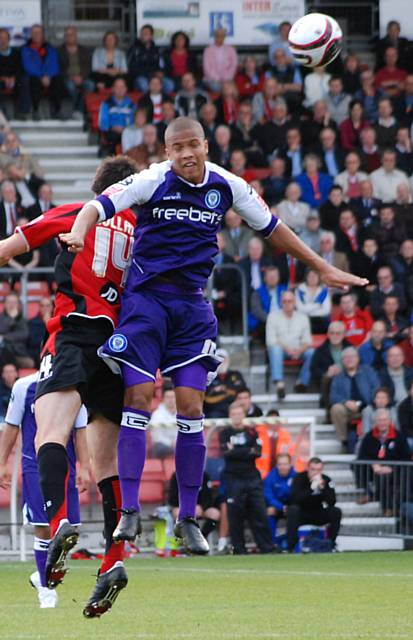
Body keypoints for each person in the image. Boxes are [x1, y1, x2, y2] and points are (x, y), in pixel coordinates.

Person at [60, 115, 367, 558]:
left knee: (191, 408)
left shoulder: (228, 185)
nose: (186, 153)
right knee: (140, 398)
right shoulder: (150, 181)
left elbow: (273, 228)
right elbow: (98, 205)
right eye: (177, 147)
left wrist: (321, 267)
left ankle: (188, 518)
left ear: (206, 145)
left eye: (193, 145)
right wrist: (78, 230)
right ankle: (128, 510)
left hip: (191, 308)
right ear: (166, 152)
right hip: (146, 303)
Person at [0, 155, 139, 617]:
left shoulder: (81, 211)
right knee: (105, 464)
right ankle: (113, 560)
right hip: (122, 348)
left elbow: (10, 247)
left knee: (49, 430)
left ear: (101, 189)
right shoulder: (145, 232)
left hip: (74, 331)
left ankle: (59, 521)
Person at [0, 372, 89, 608]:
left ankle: (40, 575)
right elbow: (11, 426)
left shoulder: (76, 384)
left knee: (70, 531)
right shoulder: (24, 387)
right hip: (35, 467)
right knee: (44, 528)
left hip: (66, 469)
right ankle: (47, 591)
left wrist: (85, 467)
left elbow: (81, 431)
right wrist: (2, 462)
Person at [219, 403, 276, 555]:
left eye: (239, 413)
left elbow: (257, 452)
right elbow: (226, 453)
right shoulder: (224, 433)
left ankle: (267, 548)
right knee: (235, 514)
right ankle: (239, 549)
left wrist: (236, 450)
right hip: (233, 478)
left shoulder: (252, 432)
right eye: (234, 413)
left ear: (244, 416)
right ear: (230, 416)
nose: (237, 417)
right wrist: (246, 450)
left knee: (259, 513)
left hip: (252, 477)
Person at [356, 408, 411, 515]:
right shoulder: (369, 437)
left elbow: (406, 457)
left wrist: (391, 467)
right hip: (374, 469)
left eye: (385, 420)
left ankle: (388, 507)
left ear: (390, 421)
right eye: (380, 420)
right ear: (376, 422)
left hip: (394, 470)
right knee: (356, 465)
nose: (382, 423)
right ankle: (368, 493)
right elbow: (362, 455)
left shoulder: (399, 436)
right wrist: (373, 464)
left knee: (384, 477)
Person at [286, 457, 342, 552]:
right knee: (292, 510)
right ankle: (291, 547)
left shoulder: (326, 480)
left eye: (319, 470)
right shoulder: (299, 478)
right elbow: (295, 499)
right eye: (313, 469)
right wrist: (311, 489)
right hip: (302, 513)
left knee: (336, 511)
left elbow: (332, 502)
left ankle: (331, 544)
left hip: (317, 512)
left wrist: (323, 488)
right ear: (308, 468)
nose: (316, 472)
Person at [266, 290, 314, 398]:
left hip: (299, 350)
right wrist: (287, 349)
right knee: (275, 349)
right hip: (281, 350)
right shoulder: (272, 316)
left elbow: (308, 340)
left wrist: (300, 350)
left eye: (290, 301)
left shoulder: (303, 317)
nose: (287, 304)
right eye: (285, 301)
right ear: (281, 302)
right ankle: (280, 384)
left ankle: (302, 383)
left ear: (295, 302)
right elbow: (270, 340)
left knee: (312, 352)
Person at [330, 347, 380, 450]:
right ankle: (344, 441)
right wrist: (345, 402)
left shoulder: (368, 371)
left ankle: (370, 440)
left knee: (369, 410)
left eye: (352, 356)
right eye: (346, 357)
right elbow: (333, 396)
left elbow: (376, 389)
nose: (349, 359)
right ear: (342, 361)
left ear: (358, 358)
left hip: (368, 405)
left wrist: (367, 403)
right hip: (347, 408)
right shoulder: (338, 376)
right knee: (336, 408)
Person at [20, 24, 65, 119]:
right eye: (34, 32)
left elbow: (54, 64)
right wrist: (41, 76)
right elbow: (28, 66)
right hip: (35, 76)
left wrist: (48, 76)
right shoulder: (25, 49)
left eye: (39, 32)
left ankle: (57, 110)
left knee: (58, 79)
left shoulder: (50, 48)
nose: (36, 34)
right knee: (33, 80)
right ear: (31, 35)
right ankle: (35, 110)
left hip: (48, 77)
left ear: (43, 34)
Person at [168, 471, 220, 540]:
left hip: (200, 508)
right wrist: (188, 507)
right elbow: (173, 499)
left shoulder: (204, 475)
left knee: (215, 513)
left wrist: (202, 507)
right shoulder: (176, 476)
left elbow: (208, 497)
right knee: (178, 513)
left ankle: (202, 537)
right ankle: (187, 540)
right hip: (182, 507)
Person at [310, 321, 349, 409]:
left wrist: (343, 369)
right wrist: (327, 373)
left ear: (343, 334)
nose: (335, 336)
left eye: (338, 333)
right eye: (332, 333)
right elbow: (314, 369)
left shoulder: (351, 348)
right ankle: (329, 411)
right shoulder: (320, 350)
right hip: (328, 382)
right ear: (328, 334)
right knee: (327, 378)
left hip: (348, 379)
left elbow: (358, 366)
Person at [0, 131, 44, 206]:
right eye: (8, 141)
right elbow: (16, 173)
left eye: (13, 141)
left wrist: (27, 175)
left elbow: (40, 173)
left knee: (43, 186)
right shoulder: (2, 156)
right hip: (12, 185)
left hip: (28, 185)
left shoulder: (27, 155)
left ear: (18, 142)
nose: (11, 144)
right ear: (5, 144)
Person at [58, 26, 93, 117]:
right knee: (70, 87)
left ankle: (78, 110)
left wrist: (82, 77)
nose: (70, 36)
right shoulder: (58, 51)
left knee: (90, 85)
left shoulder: (84, 50)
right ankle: (76, 110)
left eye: (72, 34)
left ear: (76, 36)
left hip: (82, 77)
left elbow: (88, 66)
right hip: (67, 78)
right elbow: (58, 68)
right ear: (64, 37)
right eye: (68, 34)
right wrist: (71, 77)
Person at [98, 77, 135, 156]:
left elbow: (134, 121)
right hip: (111, 132)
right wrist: (112, 127)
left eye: (122, 87)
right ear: (113, 89)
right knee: (112, 138)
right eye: (117, 87)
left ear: (126, 89)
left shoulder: (131, 104)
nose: (120, 89)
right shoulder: (106, 104)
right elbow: (103, 122)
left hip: (127, 131)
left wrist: (125, 128)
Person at [204, 349, 246, 419]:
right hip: (214, 411)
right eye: (219, 359)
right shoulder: (208, 376)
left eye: (223, 358)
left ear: (228, 360)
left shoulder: (235, 375)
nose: (221, 361)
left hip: (235, 408)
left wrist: (224, 388)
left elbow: (241, 389)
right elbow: (206, 395)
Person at [264, 453, 296, 542]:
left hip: (291, 507)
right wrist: (281, 507)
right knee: (269, 512)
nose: (282, 467)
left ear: (290, 465)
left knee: (295, 512)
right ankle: (272, 544)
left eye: (285, 464)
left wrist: (289, 508)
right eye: (280, 464)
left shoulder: (296, 477)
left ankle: (290, 543)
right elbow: (268, 496)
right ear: (276, 465)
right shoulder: (270, 477)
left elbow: (297, 496)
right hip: (276, 506)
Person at [127, 24, 166, 93]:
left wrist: (161, 72)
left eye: (146, 33)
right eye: (142, 34)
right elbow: (131, 67)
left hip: (156, 77)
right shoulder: (134, 49)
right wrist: (150, 74)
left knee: (169, 85)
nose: (143, 36)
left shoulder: (157, 50)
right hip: (140, 77)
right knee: (144, 85)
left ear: (151, 36)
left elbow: (162, 65)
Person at [249, 266, 287, 335]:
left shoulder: (285, 290)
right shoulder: (257, 292)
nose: (272, 279)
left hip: (283, 320)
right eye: (270, 276)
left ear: (278, 278)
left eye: (274, 276)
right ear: (265, 278)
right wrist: (272, 319)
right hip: (266, 321)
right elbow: (257, 311)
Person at [295, 269, 331, 333]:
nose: (312, 278)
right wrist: (318, 305)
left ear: (318, 277)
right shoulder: (299, 290)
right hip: (304, 320)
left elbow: (326, 310)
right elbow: (300, 309)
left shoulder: (324, 290)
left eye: (314, 276)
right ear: (306, 277)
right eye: (310, 276)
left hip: (321, 321)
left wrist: (308, 311)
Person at [0, 292, 31, 367]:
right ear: (4, 304)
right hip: (2, 354)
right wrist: (11, 319)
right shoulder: (1, 318)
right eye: (9, 302)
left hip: (19, 355)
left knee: (30, 363)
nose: (11, 305)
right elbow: (1, 330)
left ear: (18, 305)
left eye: (14, 302)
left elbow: (24, 335)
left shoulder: (22, 320)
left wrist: (4, 337)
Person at [202, 28, 238, 92]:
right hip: (211, 79)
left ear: (224, 37)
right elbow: (207, 68)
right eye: (217, 35)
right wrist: (216, 79)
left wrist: (226, 78)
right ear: (214, 37)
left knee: (230, 88)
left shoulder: (231, 49)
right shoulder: (208, 50)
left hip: (227, 79)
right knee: (217, 87)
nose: (219, 37)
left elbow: (233, 65)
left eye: (222, 35)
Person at [149, 382, 177, 458]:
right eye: (168, 397)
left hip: (178, 444)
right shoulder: (157, 414)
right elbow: (157, 437)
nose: (170, 400)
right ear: (163, 398)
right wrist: (172, 444)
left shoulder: (181, 413)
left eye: (173, 397)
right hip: (162, 447)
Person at [27, 296, 53, 367]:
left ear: (52, 307)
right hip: (37, 354)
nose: (45, 308)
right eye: (42, 306)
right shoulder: (32, 322)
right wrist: (46, 325)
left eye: (48, 305)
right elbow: (34, 342)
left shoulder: (57, 321)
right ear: (39, 308)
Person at [397, 379, 413, 451]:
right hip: (410, 436)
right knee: (409, 443)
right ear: (409, 391)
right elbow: (404, 427)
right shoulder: (403, 406)